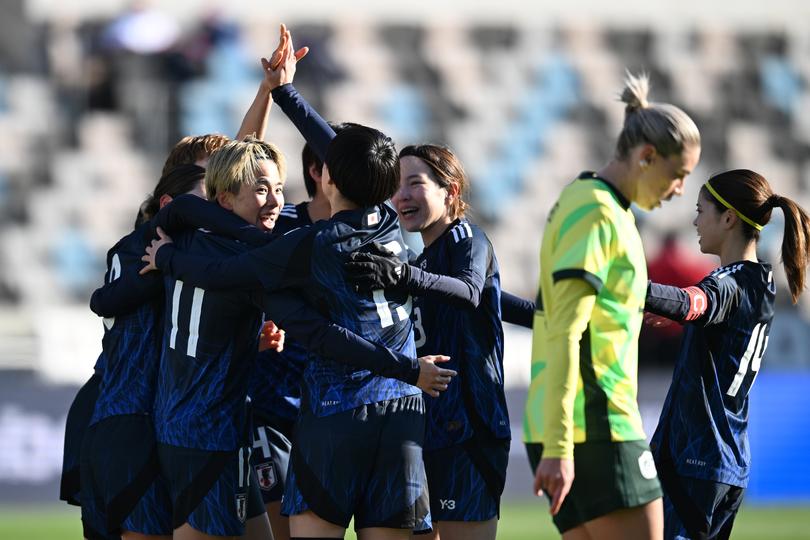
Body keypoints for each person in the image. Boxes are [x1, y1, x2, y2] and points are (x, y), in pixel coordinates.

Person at [141, 26, 453, 539]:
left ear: (326, 176)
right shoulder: (389, 220)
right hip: (401, 410)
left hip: (333, 413)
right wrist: (282, 91)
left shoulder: (307, 244)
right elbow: (268, 165)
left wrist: (169, 257)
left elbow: (225, 272)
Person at [525, 72, 701, 540]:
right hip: (593, 426)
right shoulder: (597, 212)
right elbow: (566, 331)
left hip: (581, 425)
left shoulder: (602, 206)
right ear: (646, 157)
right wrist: (561, 447)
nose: (680, 189)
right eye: (678, 174)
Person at [344, 144, 510, 540]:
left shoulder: (467, 238)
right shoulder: (422, 261)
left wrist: (400, 276)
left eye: (414, 184)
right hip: (425, 428)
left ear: (450, 191)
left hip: (469, 428)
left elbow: (470, 290)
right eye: (395, 187)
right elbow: (501, 302)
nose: (401, 196)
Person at [644, 169, 810, 540]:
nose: (695, 220)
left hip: (695, 461)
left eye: (701, 210)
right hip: (728, 461)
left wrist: (631, 287)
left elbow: (695, 302)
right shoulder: (761, 281)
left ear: (729, 218)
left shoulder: (730, 281)